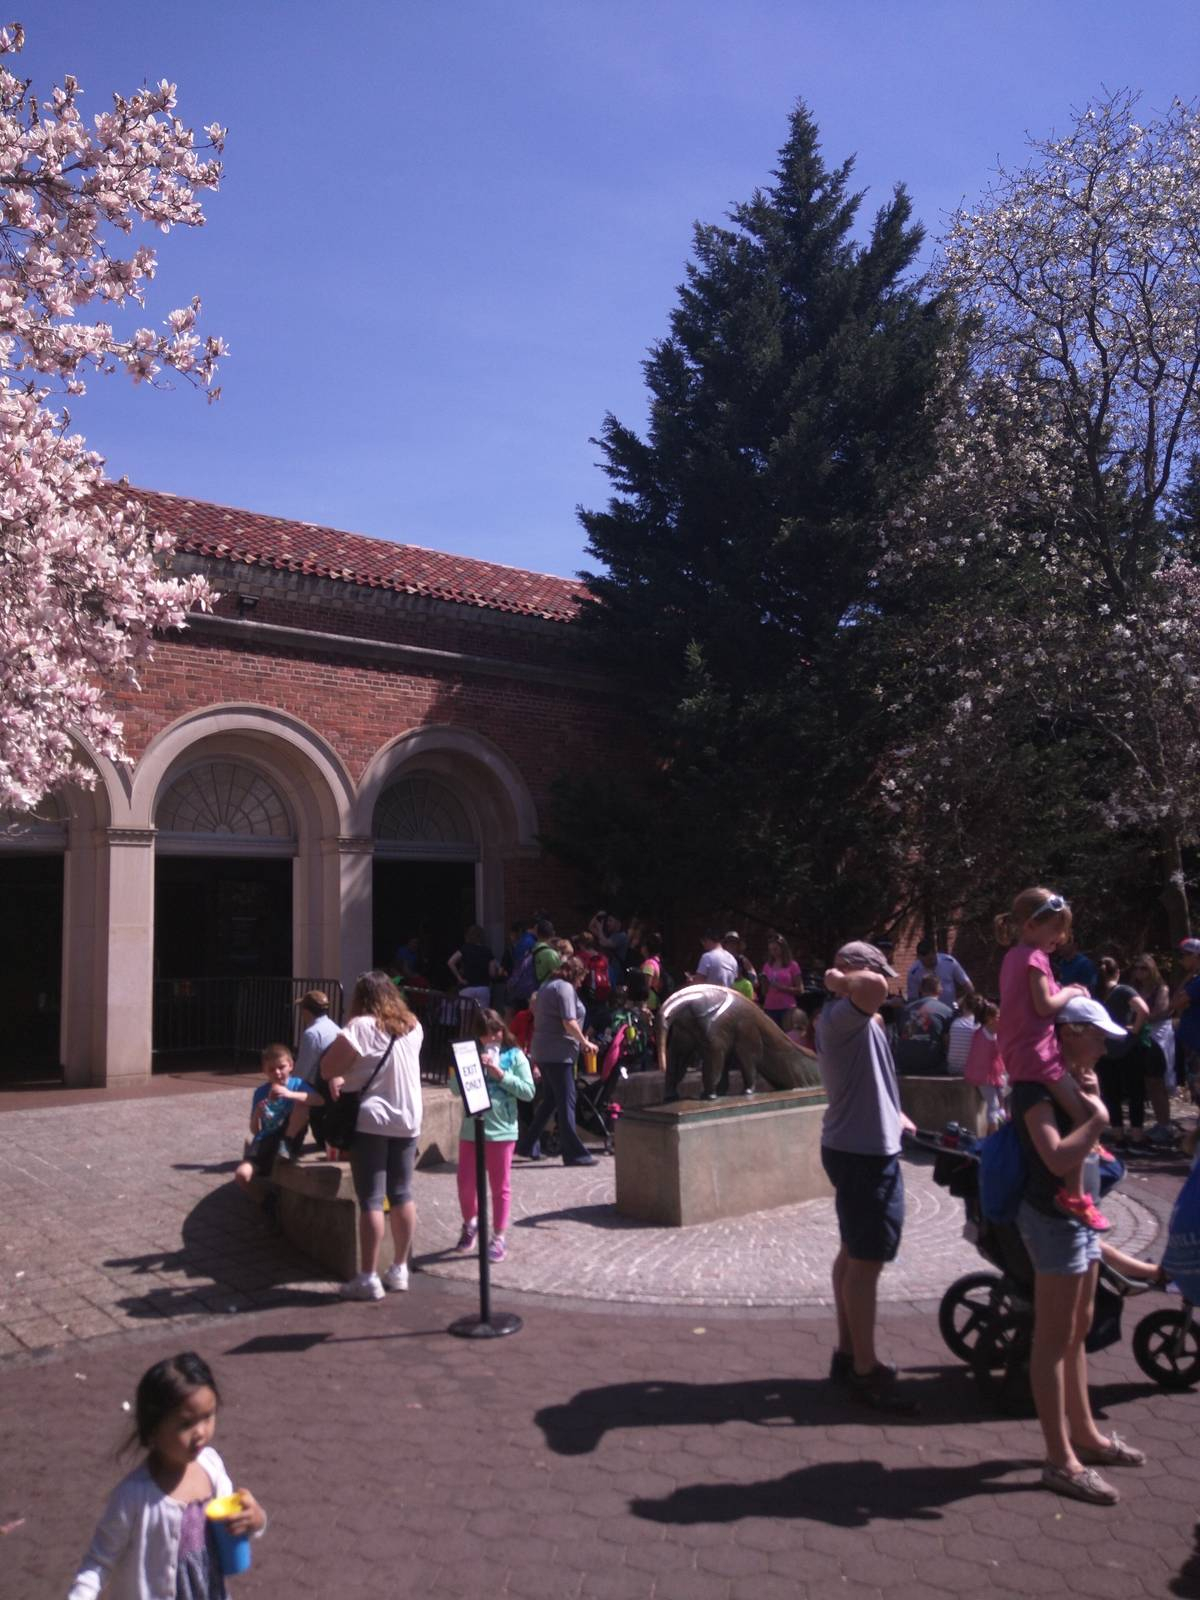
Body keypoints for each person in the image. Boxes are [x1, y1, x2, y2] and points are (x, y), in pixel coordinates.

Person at [1012, 995, 1146, 1504]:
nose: (1104, 1046)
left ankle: (1085, 1436)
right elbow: (1053, 1156)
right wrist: (1096, 1117)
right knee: (1052, 1340)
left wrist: (1089, 1105)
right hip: (1053, 1219)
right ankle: (1058, 1460)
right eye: (1097, 1036)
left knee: (1078, 1329)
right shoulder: (1035, 1088)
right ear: (1068, 1034)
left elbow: (1084, 1152)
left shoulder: (1070, 1081)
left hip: (1079, 1214)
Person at [69, 1351, 266, 1599]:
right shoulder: (133, 1497)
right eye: (186, 1424)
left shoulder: (211, 1466)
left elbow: (232, 1523)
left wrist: (254, 1520)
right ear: (152, 1430)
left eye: (208, 1417)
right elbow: (98, 1562)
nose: (201, 1432)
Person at [816, 940, 918, 1413]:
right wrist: (839, 977)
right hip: (861, 1152)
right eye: (874, 973)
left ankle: (847, 1352)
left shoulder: (860, 1021)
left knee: (853, 1254)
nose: (885, 987)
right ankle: (864, 1369)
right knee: (866, 1261)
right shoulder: (842, 1015)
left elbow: (872, 1072)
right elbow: (874, 986)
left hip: (861, 1142)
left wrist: (895, 1113)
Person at [996, 887, 1109, 1230]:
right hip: (1038, 1052)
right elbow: (1044, 1005)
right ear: (1031, 925)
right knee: (1082, 1114)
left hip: (1022, 1050)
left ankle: (1091, 1151)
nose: (1061, 938)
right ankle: (1075, 1194)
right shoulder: (1034, 958)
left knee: (1078, 1108)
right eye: (1056, 929)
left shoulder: (1012, 957)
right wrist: (1072, 990)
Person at [320, 969, 424, 1300]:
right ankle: (400, 1269)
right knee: (403, 1193)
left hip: (372, 1120)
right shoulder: (413, 1026)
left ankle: (368, 1277)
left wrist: (343, 1077)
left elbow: (327, 1068)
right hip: (408, 1119)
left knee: (372, 1199)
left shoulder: (360, 1027)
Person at [451, 1009, 535, 1264]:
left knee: (500, 1188)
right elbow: (454, 1089)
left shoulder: (515, 1055)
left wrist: (501, 1074)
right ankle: (471, 1223)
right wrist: (468, 1068)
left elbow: (528, 1091)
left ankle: (499, 1237)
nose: (492, 1038)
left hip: (502, 1132)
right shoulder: (471, 1054)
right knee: (465, 1185)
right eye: (486, 1034)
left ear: (502, 1030)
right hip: (471, 1130)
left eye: (496, 1032)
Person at [517, 956, 597, 1167]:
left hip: (543, 1051)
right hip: (559, 1054)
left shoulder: (547, 986)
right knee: (566, 1101)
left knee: (551, 1101)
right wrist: (584, 1042)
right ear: (575, 974)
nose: (581, 984)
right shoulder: (565, 989)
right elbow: (568, 1021)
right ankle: (573, 1153)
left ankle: (527, 1145)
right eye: (581, 978)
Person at [234, 1043, 321, 1188]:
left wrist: (290, 1094)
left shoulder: (297, 1084)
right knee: (241, 1174)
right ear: (264, 1071)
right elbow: (255, 1130)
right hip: (266, 1139)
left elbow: (319, 1100)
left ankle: (285, 1146)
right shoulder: (261, 1092)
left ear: (291, 1065)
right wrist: (257, 1113)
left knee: (302, 1103)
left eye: (281, 1067)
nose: (277, 1073)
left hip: (290, 1135)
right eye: (271, 1069)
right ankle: (265, 1198)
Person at [1095, 957, 1150, 1148]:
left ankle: (1118, 1134)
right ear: (1117, 972)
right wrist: (1135, 1029)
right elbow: (1143, 1009)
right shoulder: (1124, 990)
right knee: (1135, 1091)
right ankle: (1136, 1134)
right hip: (1126, 1046)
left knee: (1111, 1093)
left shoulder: (1095, 993)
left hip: (1104, 1048)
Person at [1128, 953, 1176, 1144]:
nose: (1140, 972)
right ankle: (1160, 1122)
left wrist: (1141, 1017)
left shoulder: (1160, 988)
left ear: (1152, 969)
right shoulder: (1134, 989)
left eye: (1144, 968)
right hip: (1140, 1037)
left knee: (1157, 1082)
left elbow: (1161, 1011)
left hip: (1156, 1037)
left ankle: (1165, 1125)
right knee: (1148, 1081)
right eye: (1137, 968)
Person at [293, 988, 340, 1151]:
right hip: (332, 1083)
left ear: (306, 1011)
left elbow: (302, 1071)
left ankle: (291, 1143)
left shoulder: (311, 1034)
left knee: (295, 1099)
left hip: (318, 1085)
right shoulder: (334, 1027)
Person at [893, 973, 955, 1075]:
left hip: (904, 1065)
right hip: (932, 1067)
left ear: (920, 989)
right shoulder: (947, 1011)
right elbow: (947, 1043)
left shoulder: (905, 1009)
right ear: (940, 990)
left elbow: (900, 1035)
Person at [963, 996, 1006, 1130]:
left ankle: (1001, 1121)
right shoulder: (987, 1035)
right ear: (989, 1019)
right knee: (992, 1106)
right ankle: (992, 1137)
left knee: (1002, 1097)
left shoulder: (982, 1033)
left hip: (993, 1075)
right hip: (984, 1077)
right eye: (998, 1017)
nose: (1001, 1019)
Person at [905, 938, 973, 1008]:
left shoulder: (949, 962)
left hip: (951, 1009)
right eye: (927, 959)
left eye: (932, 957)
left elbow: (967, 984)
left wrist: (961, 1002)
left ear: (935, 953)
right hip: (929, 1013)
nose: (931, 961)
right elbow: (913, 999)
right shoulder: (914, 972)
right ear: (919, 957)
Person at [1172, 937, 1200, 1103]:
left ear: (1196, 956)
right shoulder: (1194, 980)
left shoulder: (1197, 983)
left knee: (1197, 1089)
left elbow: (1175, 1003)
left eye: (1184, 955)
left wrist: (1188, 977)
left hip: (1197, 1046)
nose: (1181, 959)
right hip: (1191, 1043)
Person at [447, 924, 500, 1009]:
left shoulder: (465, 949)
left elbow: (451, 962)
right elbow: (492, 973)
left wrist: (459, 978)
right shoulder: (487, 951)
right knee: (483, 1018)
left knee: (466, 1019)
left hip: (467, 988)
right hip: (483, 988)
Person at [760, 935, 803, 1026]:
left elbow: (800, 990)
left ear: (782, 948)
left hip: (787, 1008)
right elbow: (764, 992)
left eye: (775, 949)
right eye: (771, 950)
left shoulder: (792, 965)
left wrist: (781, 988)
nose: (773, 952)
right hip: (770, 1007)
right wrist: (764, 982)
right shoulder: (767, 966)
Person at [946, 992, 983, 1076]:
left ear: (964, 1005)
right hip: (971, 1070)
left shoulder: (955, 1023)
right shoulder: (978, 1025)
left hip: (953, 1069)